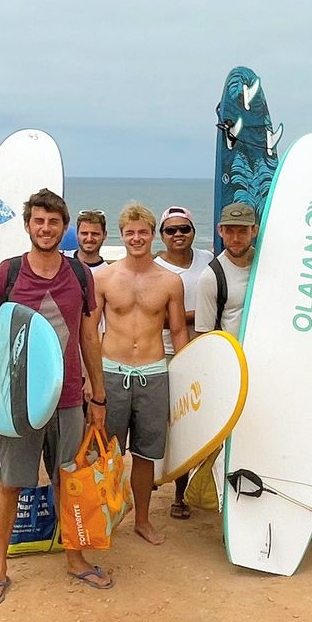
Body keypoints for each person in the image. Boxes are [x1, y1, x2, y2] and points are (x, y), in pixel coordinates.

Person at [0, 188, 107, 604]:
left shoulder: (81, 275)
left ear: (63, 229)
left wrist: (97, 396)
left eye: (53, 222)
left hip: (67, 400)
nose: (46, 229)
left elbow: (87, 336)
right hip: (18, 404)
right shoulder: (7, 274)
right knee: (11, 483)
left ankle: (75, 558)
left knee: (70, 479)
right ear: (28, 225)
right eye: (38, 221)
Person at [94, 204, 191, 545]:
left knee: (146, 454)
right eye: (130, 232)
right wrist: (90, 379)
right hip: (111, 370)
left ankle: (143, 520)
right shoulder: (103, 277)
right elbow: (89, 330)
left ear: (152, 235)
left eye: (143, 232)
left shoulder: (170, 281)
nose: (136, 238)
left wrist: (185, 373)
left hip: (153, 372)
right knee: (106, 453)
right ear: (123, 236)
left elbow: (178, 331)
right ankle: (104, 517)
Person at [154, 204, 208, 520]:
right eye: (171, 230)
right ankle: (178, 491)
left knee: (203, 419)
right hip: (167, 352)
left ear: (192, 231)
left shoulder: (208, 260)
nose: (178, 235)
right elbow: (155, 318)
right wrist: (196, 314)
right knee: (175, 419)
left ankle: (201, 484)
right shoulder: (155, 267)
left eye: (183, 228)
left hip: (204, 347)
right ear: (162, 235)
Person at [193, 200, 257, 338]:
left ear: (254, 231)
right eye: (229, 231)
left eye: (242, 231)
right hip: (232, 356)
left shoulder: (265, 264)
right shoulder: (211, 277)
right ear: (220, 231)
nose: (235, 238)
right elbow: (204, 334)